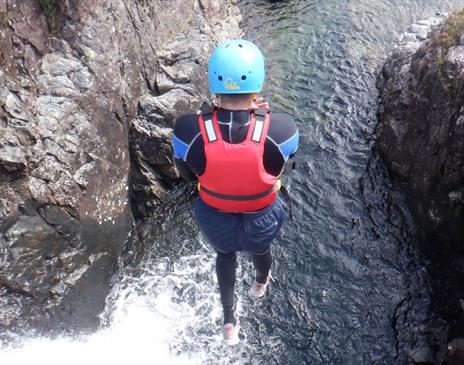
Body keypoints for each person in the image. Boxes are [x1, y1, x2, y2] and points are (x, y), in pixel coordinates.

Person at [172, 39, 298, 345]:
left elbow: (188, 176)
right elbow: (285, 170)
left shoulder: (187, 130)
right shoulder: (283, 129)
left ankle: (229, 321)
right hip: (262, 218)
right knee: (260, 250)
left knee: (225, 255)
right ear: (257, 83)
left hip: (216, 218)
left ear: (215, 82)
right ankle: (260, 283)